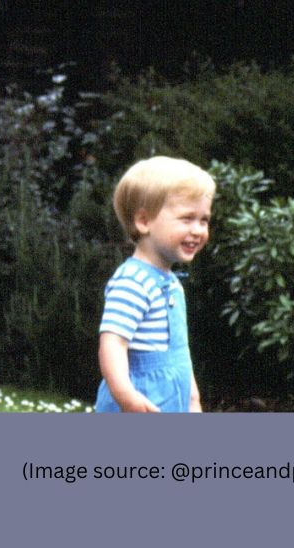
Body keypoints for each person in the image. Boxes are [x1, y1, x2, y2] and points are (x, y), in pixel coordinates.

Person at [95, 156, 212, 414]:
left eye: (204, 220)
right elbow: (112, 343)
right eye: (187, 218)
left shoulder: (171, 283)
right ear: (144, 221)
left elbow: (180, 351)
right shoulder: (132, 282)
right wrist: (126, 397)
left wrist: (193, 398)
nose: (198, 230)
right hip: (141, 401)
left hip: (173, 400)